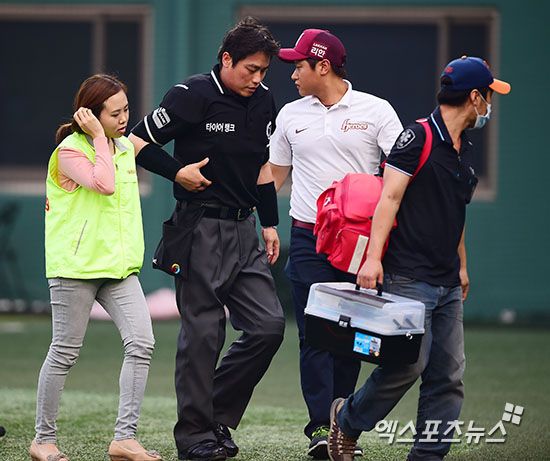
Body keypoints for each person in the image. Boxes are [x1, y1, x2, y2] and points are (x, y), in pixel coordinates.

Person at [326, 56, 511, 461]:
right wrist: (372, 260)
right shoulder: (417, 137)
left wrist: (462, 266)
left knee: (448, 376)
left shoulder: (464, 149)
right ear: (475, 97)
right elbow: (389, 199)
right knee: (407, 365)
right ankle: (348, 420)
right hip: (408, 276)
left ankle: (428, 455)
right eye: (488, 96)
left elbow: (455, 213)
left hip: (447, 281)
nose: (490, 106)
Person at [129, 17, 285, 461]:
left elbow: (262, 167)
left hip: (245, 229)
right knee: (204, 334)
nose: (257, 79)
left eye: (263, 71)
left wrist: (270, 223)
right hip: (199, 227)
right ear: (227, 59)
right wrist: (176, 172)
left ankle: (212, 413)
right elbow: (136, 142)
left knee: (268, 326)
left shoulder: (264, 100)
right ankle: (195, 437)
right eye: (250, 69)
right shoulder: (191, 95)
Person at [269, 29, 403, 459]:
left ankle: (343, 426)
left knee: (351, 334)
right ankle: (319, 430)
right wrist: (246, 209)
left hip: (359, 240)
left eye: (299, 65)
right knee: (314, 334)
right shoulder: (290, 114)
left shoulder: (377, 110)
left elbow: (402, 172)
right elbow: (274, 175)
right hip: (307, 235)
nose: (292, 74)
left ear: (322, 66)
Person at [31, 75, 160, 461]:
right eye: (114, 113)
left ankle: (124, 439)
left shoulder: (123, 147)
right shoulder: (69, 152)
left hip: (118, 268)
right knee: (64, 352)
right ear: (90, 115)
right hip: (75, 268)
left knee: (142, 343)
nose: (124, 118)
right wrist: (100, 140)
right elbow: (103, 184)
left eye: (126, 110)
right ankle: (42, 440)